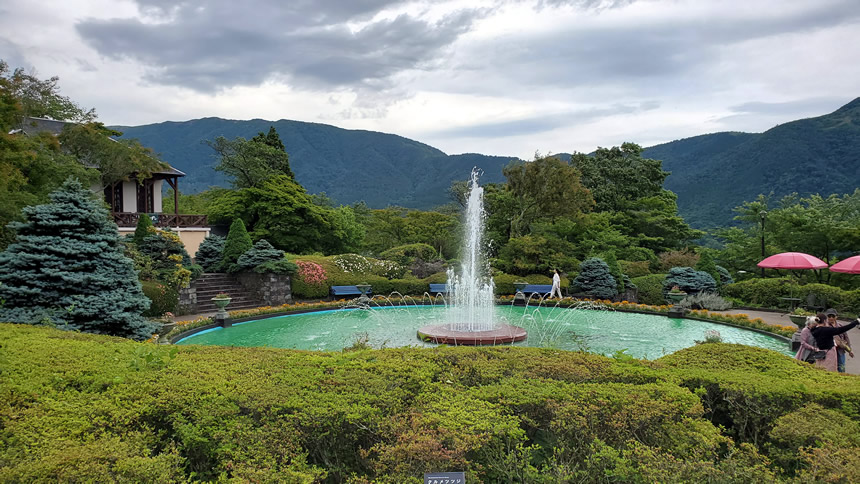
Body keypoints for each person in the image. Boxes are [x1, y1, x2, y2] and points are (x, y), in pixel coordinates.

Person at [824, 308, 854, 373]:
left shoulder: (840, 325)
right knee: (830, 367)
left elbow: (846, 338)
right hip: (829, 351)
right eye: (829, 316)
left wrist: (850, 350)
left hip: (840, 350)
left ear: (836, 317)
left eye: (833, 316)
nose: (831, 318)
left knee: (841, 367)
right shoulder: (824, 326)